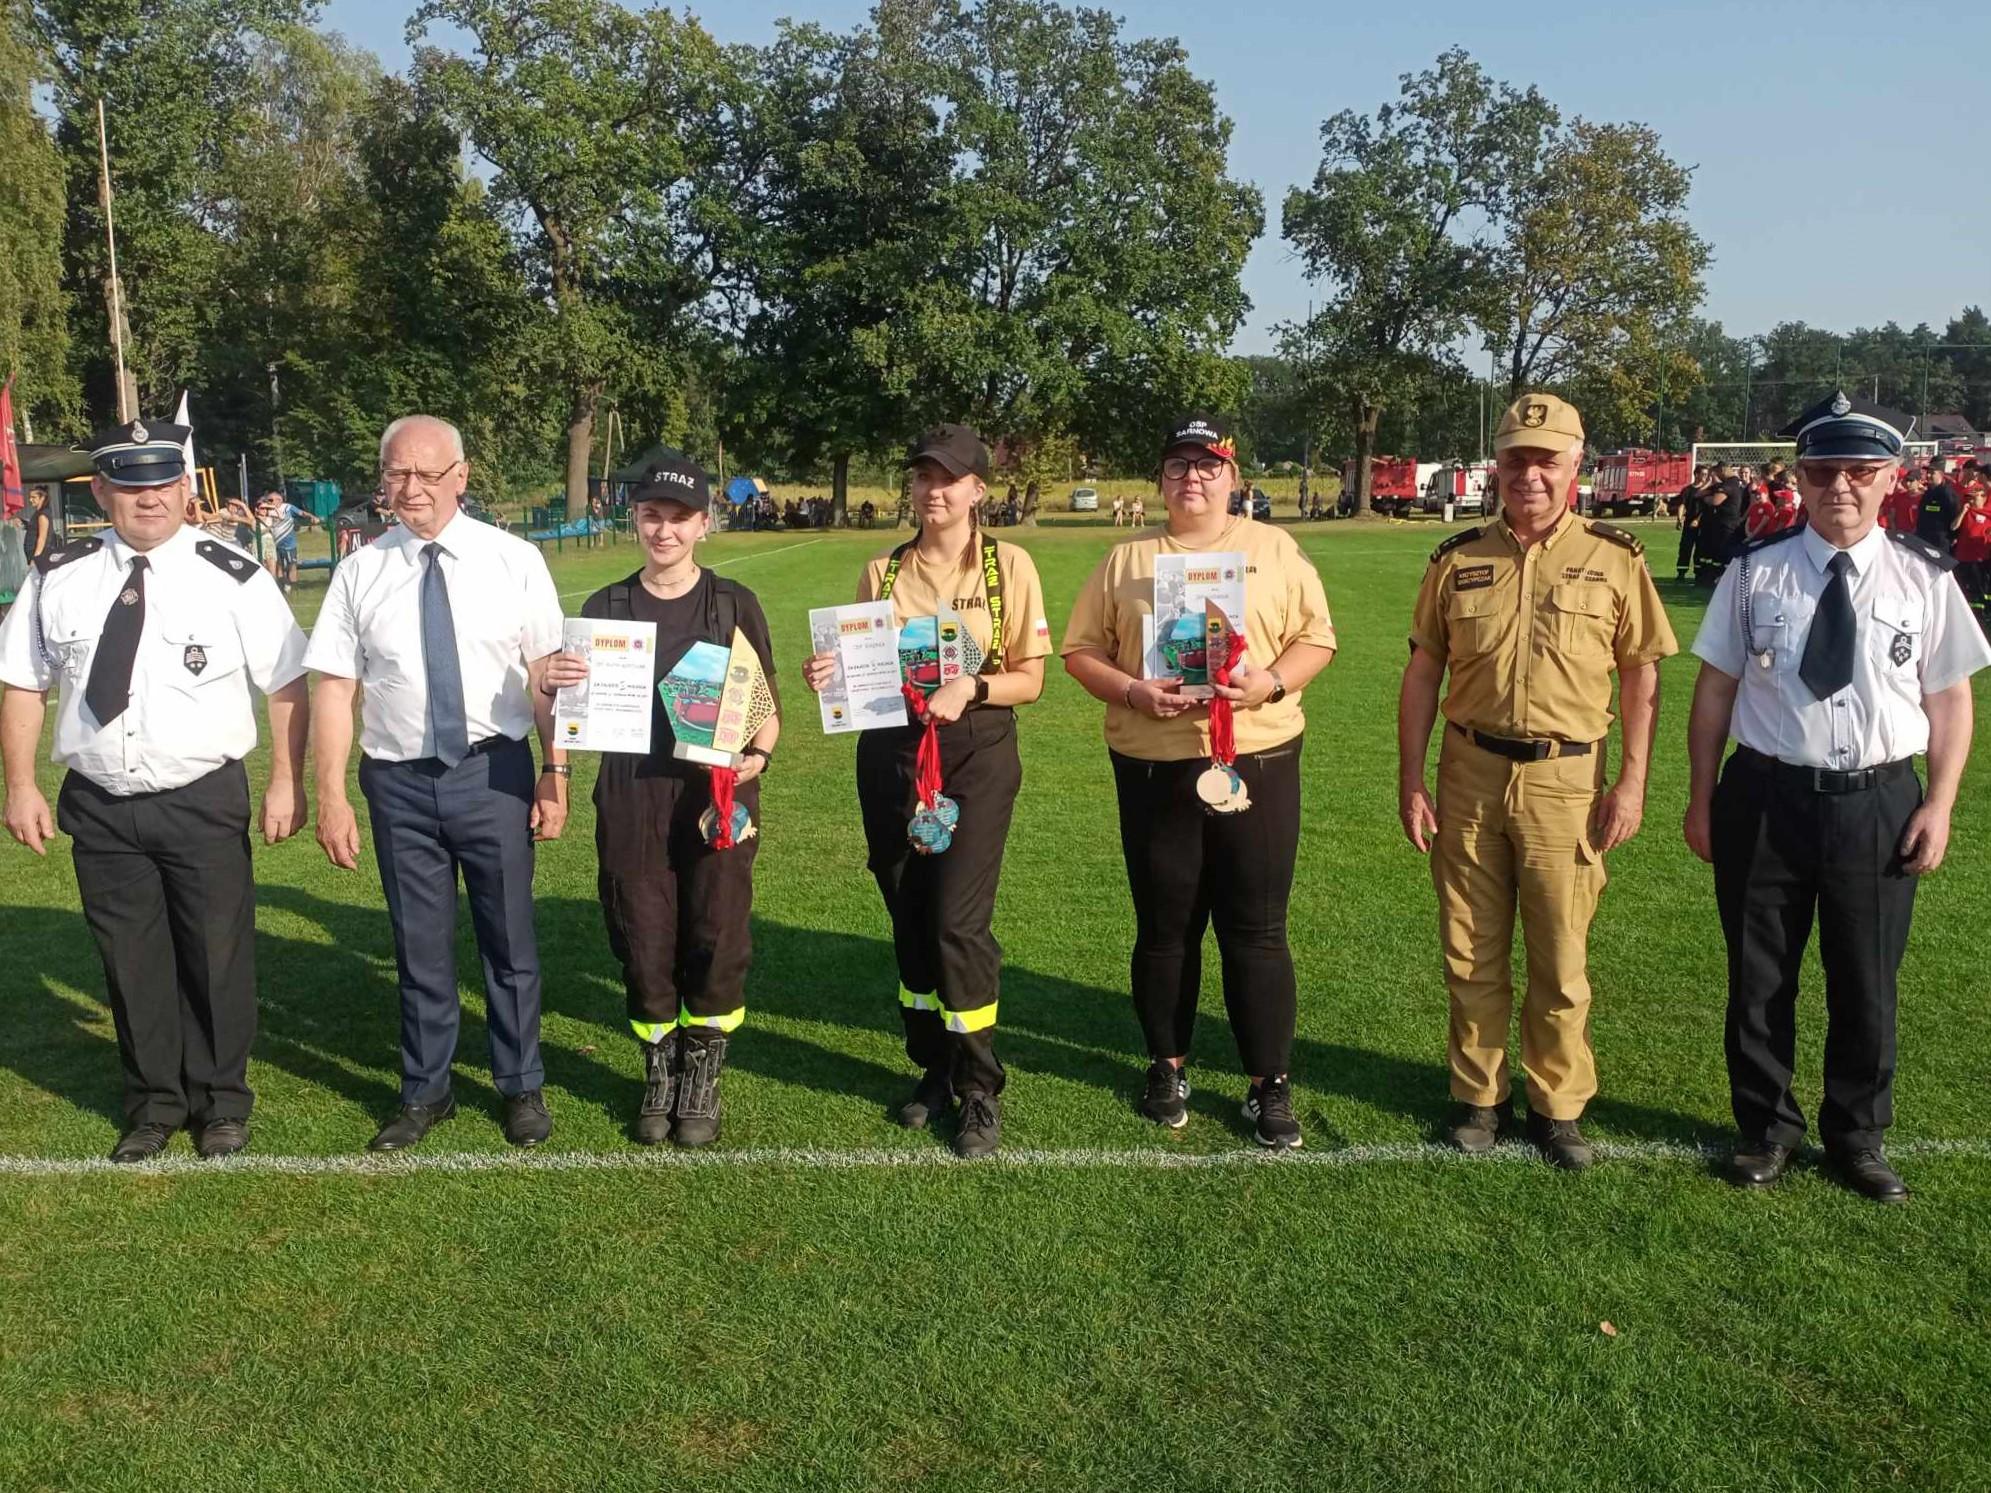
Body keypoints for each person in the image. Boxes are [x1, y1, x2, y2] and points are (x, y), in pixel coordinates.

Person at [1683, 394, 1991, 1203]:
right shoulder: (1752, 572)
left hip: (1877, 804)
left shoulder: (1924, 577)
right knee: (1758, 977)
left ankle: (1857, 1135)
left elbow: (1949, 700)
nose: (1840, 488)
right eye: (1822, 472)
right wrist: (1699, 797)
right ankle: (1765, 1128)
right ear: (1801, 478)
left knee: (1865, 979)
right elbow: (1712, 692)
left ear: (1890, 478)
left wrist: (1940, 804)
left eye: (1859, 472)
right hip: (1764, 797)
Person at [0, 419, 310, 1162]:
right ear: (103, 491)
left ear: (183, 488)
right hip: (99, 800)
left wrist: (287, 781)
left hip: (201, 795)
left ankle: (221, 1100)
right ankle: (153, 1103)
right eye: (132, 486)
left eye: (164, 484)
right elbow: (22, 683)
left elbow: (287, 683)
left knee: (215, 954)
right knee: (130, 960)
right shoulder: (57, 575)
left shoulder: (232, 574)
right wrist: (20, 785)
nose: (150, 499)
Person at [1397, 394, 1677, 1170]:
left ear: (1574, 464)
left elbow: (1641, 674)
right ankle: (1478, 1097)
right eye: (1516, 457)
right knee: (1469, 949)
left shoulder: (1615, 558)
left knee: (1559, 956)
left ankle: (1557, 1106)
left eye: (1545, 459)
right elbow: (1422, 671)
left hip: (1566, 781)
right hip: (1468, 773)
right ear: (1497, 463)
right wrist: (1410, 778)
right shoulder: (1455, 559)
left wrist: (1632, 782)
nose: (1529, 474)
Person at [1062, 414, 1337, 1149]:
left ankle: (1268, 1082)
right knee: (1165, 927)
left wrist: (1269, 683)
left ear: (1232, 477)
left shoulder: (1273, 547)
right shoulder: (1126, 559)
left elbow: (1317, 638)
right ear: (1160, 480)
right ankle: (1167, 1064)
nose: (1193, 478)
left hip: (1258, 757)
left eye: (1208, 465)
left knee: (1257, 928)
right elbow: (1081, 651)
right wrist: (1132, 691)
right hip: (1154, 762)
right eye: (1178, 466)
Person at [305, 415, 569, 1153]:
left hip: (495, 772)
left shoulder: (513, 560)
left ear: (462, 475)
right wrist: (331, 795)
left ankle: (520, 1084)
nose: (411, 487)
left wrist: (556, 772)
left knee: (508, 938)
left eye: (426, 472)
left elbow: (547, 678)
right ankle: (426, 1091)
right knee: (418, 945)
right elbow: (334, 688)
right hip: (397, 784)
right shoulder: (359, 571)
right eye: (397, 473)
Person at [799, 424, 1050, 1159]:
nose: (933, 490)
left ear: (977, 489)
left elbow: (1031, 679)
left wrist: (972, 686)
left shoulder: (1008, 566)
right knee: (910, 915)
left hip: (975, 751)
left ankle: (978, 1086)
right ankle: (933, 1067)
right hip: (893, 756)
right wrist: (830, 676)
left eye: (948, 478)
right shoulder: (880, 571)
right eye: (922, 476)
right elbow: (862, 678)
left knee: (955, 922)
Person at [540, 456, 780, 1147]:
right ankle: (659, 1068)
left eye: (679, 518)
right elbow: (569, 710)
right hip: (631, 792)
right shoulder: (604, 608)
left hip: (717, 792)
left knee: (716, 933)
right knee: (642, 939)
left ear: (703, 524)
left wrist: (758, 757)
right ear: (636, 519)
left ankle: (701, 1074)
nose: (664, 530)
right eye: (652, 515)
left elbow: (764, 707)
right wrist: (556, 684)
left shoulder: (732, 603)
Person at [1695, 463, 1748, 584]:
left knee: (1723, 553)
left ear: (1722, 471)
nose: (1716, 476)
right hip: (1721, 523)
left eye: (1716, 473)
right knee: (1716, 552)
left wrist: (1706, 499)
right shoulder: (1725, 484)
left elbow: (1715, 501)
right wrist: (1709, 483)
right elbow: (1698, 493)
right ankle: (1712, 577)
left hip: (1727, 524)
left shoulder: (1729, 484)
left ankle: (1722, 579)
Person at [256, 490, 317, 591]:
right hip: (275, 544)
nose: (268, 502)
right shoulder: (268, 510)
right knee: (279, 567)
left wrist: (312, 516)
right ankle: (282, 587)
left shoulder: (288, 508)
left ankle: (294, 587)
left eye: (270, 500)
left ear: (279, 500)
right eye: (267, 500)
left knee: (291, 565)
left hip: (289, 544)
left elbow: (302, 513)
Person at [1671, 464, 1709, 582]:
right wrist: (1679, 519)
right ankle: (1681, 573)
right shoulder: (1688, 490)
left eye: (1706, 474)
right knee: (1685, 548)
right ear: (1696, 474)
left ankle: (1699, 574)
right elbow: (1682, 505)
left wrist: (1698, 520)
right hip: (1689, 524)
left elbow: (1706, 508)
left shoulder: (1707, 491)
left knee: (1700, 549)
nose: (1705, 476)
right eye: (1703, 474)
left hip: (1702, 525)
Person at [1917, 458, 1961, 553]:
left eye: (1932, 473)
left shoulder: (1948, 494)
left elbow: (1955, 517)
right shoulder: (1927, 493)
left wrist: (1952, 537)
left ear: (1941, 474)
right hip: (1923, 539)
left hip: (1940, 543)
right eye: (1928, 472)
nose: (1928, 475)